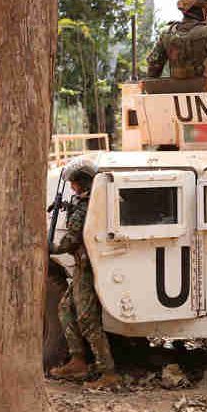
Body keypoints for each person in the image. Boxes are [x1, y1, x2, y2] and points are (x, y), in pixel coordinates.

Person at [49, 159, 119, 388]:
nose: (72, 188)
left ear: (84, 182)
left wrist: (48, 248)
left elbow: (71, 240)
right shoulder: (87, 202)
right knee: (65, 308)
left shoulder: (86, 205)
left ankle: (108, 373)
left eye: (75, 183)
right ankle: (77, 360)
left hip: (88, 268)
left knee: (87, 318)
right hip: (82, 266)